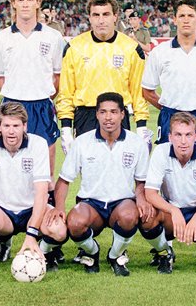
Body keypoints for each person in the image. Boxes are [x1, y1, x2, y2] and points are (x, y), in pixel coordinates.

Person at [0, 0, 66, 261]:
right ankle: (5, 235)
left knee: (43, 178)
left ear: (38, 3)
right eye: (19, 0)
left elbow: (57, 76)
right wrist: (16, 96)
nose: (24, 4)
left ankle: (47, 244)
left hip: (41, 107)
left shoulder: (53, 37)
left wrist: (39, 95)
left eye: (29, 0)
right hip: (11, 107)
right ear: (12, 4)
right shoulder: (0, 39)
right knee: (8, 173)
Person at [52, 92, 155, 276]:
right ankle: (92, 252)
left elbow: (141, 181)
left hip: (122, 203)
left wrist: (141, 198)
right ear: (97, 114)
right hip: (91, 204)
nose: (108, 117)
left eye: (114, 112)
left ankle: (115, 255)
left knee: (130, 216)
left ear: (123, 114)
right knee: (74, 222)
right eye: (103, 112)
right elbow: (64, 180)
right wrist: (59, 207)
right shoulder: (82, 142)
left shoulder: (136, 143)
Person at [0, 102, 67, 273]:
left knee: (58, 230)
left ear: (25, 126)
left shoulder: (38, 144)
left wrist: (32, 234)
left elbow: (42, 193)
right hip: (1, 210)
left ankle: (43, 252)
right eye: (6, 125)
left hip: (32, 208)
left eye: (16, 126)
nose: (11, 131)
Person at [57, 0, 151, 155]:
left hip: (118, 115)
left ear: (115, 16)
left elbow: (138, 92)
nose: (101, 20)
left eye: (106, 14)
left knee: (120, 173)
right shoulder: (74, 47)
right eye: (96, 15)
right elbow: (66, 91)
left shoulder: (131, 48)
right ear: (90, 18)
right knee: (89, 174)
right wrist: (66, 127)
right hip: (85, 116)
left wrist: (141, 126)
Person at [142, 0, 196, 152]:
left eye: (191, 15)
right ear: (175, 20)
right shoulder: (160, 52)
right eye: (182, 16)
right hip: (170, 117)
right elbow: (147, 91)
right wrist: (168, 109)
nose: (186, 20)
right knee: (168, 168)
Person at [145, 112, 196, 274]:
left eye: (188, 135)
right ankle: (164, 253)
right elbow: (150, 193)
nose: (183, 141)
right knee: (146, 216)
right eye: (178, 135)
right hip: (170, 212)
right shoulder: (161, 152)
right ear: (170, 137)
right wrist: (173, 210)